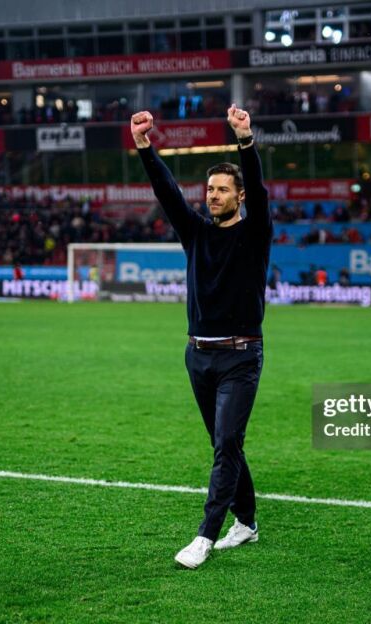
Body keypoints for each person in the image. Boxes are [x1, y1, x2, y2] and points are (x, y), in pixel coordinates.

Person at [131, 104, 271, 570]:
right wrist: (144, 146)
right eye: (210, 189)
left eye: (222, 190)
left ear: (240, 196)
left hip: (240, 356)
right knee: (225, 445)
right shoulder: (195, 233)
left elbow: (260, 189)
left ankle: (205, 536)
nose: (213, 196)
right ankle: (246, 522)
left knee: (226, 445)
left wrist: (244, 138)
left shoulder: (255, 233)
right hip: (198, 357)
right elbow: (167, 192)